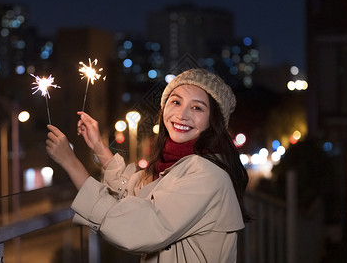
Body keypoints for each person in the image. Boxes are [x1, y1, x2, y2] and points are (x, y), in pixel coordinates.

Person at [46, 68, 250, 263]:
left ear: (213, 121)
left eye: (197, 107)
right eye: (176, 102)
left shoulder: (207, 174)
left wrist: (70, 161)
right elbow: (132, 192)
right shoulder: (176, 165)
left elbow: (138, 227)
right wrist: (99, 146)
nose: (182, 114)